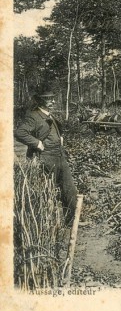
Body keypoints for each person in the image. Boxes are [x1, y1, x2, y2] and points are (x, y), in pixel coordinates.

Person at [14, 90, 78, 225]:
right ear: (40, 101)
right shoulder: (34, 116)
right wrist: (37, 143)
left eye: (53, 98)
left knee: (69, 188)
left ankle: (72, 221)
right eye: (49, 99)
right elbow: (20, 132)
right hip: (46, 156)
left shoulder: (49, 115)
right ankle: (49, 223)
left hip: (59, 155)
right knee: (48, 190)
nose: (53, 101)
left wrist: (60, 138)